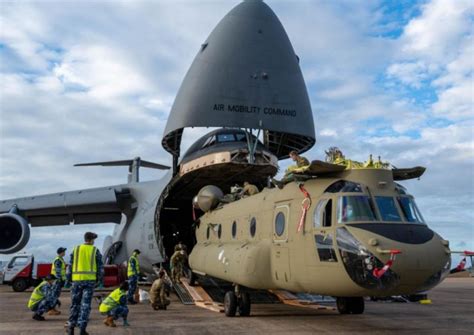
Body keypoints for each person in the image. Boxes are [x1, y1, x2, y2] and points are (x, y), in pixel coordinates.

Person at [66, 231, 104, 335]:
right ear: (91, 240)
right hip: (89, 282)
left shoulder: (76, 249)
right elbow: (100, 268)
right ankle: (82, 329)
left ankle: (71, 328)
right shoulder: (95, 250)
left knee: (75, 304)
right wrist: (99, 280)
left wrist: (69, 279)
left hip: (76, 281)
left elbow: (69, 266)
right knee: (85, 305)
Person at [49, 247, 67, 314]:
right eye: (64, 251)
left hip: (58, 280)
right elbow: (58, 271)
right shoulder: (58, 260)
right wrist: (60, 279)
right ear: (61, 252)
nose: (64, 253)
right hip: (57, 281)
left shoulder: (60, 259)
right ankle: (51, 309)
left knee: (56, 295)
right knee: (54, 295)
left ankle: (53, 309)